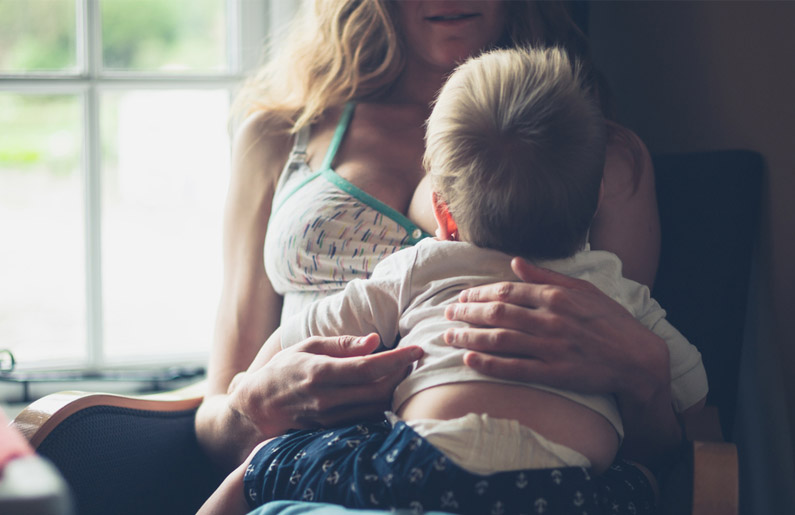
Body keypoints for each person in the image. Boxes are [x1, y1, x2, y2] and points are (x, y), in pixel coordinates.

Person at [195, 1, 675, 513]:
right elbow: (217, 418)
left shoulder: (599, 157)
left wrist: (645, 370)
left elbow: (646, 431)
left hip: (526, 483)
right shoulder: (279, 135)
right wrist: (254, 409)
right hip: (330, 473)